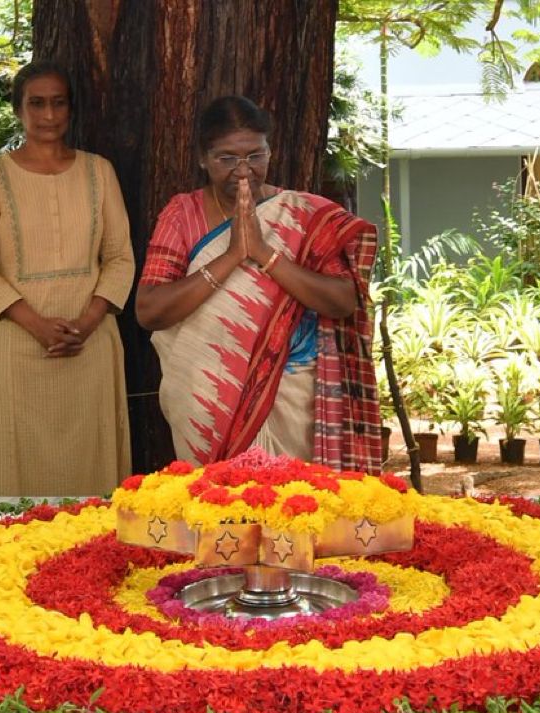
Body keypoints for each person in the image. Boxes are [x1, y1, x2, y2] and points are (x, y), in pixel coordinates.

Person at [136, 95, 381, 473]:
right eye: (227, 158)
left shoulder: (303, 215)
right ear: (202, 158)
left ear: (270, 151)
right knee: (219, 502)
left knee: (295, 502)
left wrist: (264, 253)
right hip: (206, 396)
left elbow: (342, 301)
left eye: (255, 155)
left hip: (291, 393)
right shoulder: (183, 215)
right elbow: (149, 310)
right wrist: (233, 254)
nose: (243, 171)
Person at [0, 61, 134, 496]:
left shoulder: (100, 172)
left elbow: (120, 258)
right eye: (36, 104)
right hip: (15, 350)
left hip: (90, 347)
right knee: (12, 479)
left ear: (71, 108)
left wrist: (87, 323)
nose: (49, 115)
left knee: (94, 481)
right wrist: (37, 325)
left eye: (59, 103)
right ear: (18, 109)